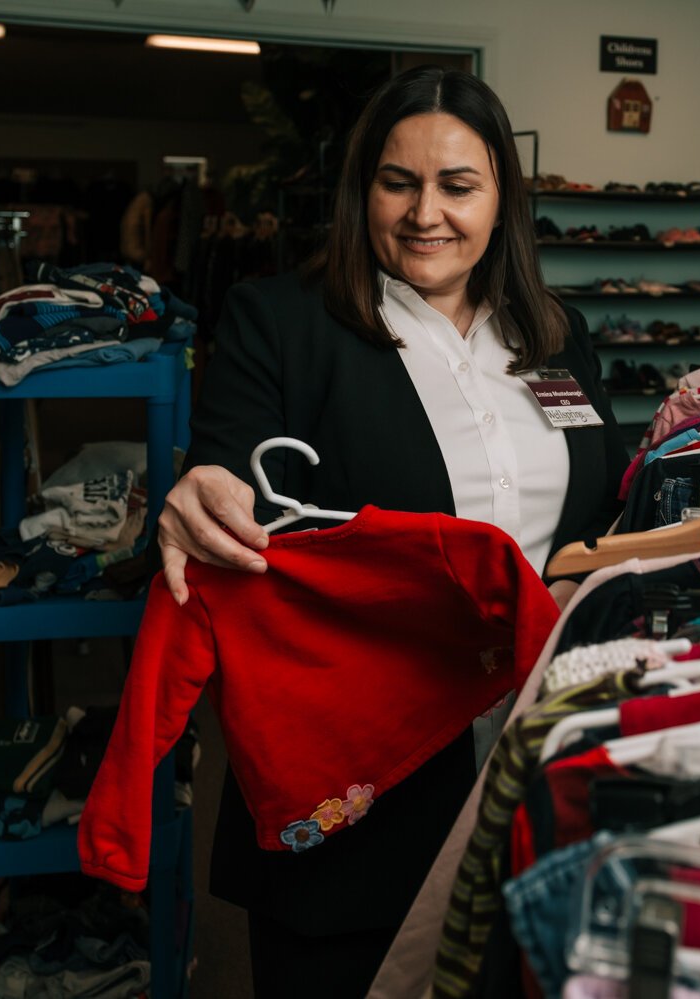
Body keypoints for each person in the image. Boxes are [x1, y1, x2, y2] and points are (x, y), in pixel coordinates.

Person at [155, 65, 627, 996]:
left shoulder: (557, 338)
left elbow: (599, 513)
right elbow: (221, 475)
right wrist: (190, 490)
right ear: (361, 189)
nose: (426, 214)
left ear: (501, 201)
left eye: (458, 185)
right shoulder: (280, 323)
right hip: (361, 794)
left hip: (533, 760)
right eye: (397, 182)